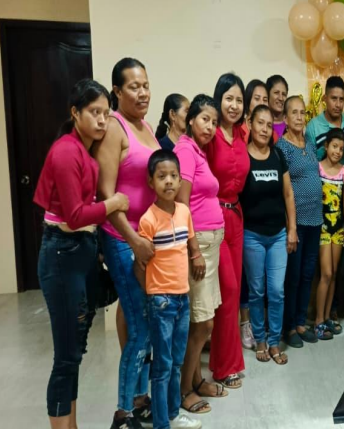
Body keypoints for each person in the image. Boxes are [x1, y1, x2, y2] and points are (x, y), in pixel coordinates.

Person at [34, 79, 129, 429]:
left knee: (75, 350)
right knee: (66, 356)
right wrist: (113, 203)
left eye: (105, 113)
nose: (102, 120)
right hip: (63, 253)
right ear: (75, 113)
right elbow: (74, 215)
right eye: (94, 112)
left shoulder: (83, 150)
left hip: (80, 250)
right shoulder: (66, 151)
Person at [94, 57, 159, 429]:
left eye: (146, 85)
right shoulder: (115, 128)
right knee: (140, 327)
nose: (143, 92)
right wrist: (134, 241)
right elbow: (106, 195)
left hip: (144, 240)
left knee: (139, 318)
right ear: (117, 91)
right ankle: (123, 413)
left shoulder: (144, 125)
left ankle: (139, 398)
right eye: (134, 86)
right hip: (122, 239)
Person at [136, 149, 203, 429]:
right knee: (162, 366)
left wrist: (197, 256)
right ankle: (161, 423)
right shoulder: (148, 220)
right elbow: (139, 265)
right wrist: (152, 294)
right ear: (151, 182)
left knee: (176, 362)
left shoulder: (184, 212)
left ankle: (173, 414)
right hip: (160, 302)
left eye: (174, 176)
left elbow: (190, 242)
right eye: (162, 176)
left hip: (182, 298)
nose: (169, 181)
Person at [174, 94, 228, 413]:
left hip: (211, 245)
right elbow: (181, 204)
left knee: (203, 319)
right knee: (202, 323)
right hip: (200, 249)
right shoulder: (184, 150)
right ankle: (184, 390)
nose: (210, 126)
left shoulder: (198, 151)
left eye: (214, 122)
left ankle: (196, 380)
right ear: (191, 119)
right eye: (205, 119)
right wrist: (193, 250)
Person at [241, 104, 297, 364]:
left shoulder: (277, 155)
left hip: (278, 235)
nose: (264, 129)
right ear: (250, 124)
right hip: (251, 235)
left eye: (268, 125)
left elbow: (288, 193)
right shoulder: (243, 157)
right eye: (260, 123)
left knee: (276, 291)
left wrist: (292, 229)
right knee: (256, 291)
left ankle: (274, 342)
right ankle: (260, 339)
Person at [205, 73, 249, 390]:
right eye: (229, 98)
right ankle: (224, 367)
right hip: (214, 217)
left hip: (237, 215)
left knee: (232, 294)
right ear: (218, 99)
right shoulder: (210, 135)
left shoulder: (243, 133)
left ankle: (225, 363)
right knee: (228, 292)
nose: (234, 105)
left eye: (239, 100)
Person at [276, 96, 323, 348]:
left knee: (307, 274)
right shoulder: (281, 148)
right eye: (293, 113)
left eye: (302, 113)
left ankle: (302, 322)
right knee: (292, 276)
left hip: (315, 220)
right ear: (285, 117)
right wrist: (290, 227)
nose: (298, 117)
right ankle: (290, 327)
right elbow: (283, 191)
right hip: (296, 222)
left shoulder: (310, 145)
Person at [239, 78, 269, 349]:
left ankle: (257, 324)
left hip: (267, 222)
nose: (261, 102)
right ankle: (245, 323)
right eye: (257, 98)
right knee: (246, 278)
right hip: (241, 216)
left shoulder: (271, 134)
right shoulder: (238, 132)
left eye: (264, 99)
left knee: (259, 280)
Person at [316, 128, 344, 340]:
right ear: (326, 146)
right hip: (322, 227)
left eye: (341, 149)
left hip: (338, 227)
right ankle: (318, 320)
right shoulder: (318, 168)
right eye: (334, 146)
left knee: (334, 273)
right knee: (326, 273)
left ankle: (327, 316)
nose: (337, 151)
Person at [306, 76, 344, 165]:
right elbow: (310, 163)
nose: (338, 104)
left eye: (341, 99)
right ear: (325, 98)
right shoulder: (313, 127)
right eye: (334, 98)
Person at [266, 74, 288, 143]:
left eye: (284, 94)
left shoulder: (291, 124)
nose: (281, 98)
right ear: (267, 94)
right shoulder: (260, 124)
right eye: (276, 93)